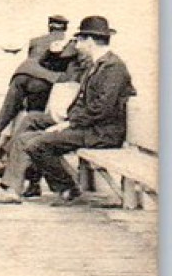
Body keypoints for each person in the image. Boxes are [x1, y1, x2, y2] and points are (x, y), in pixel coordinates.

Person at [9, 16, 135, 206]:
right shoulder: (97, 64)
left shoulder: (113, 67)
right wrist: (66, 122)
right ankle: (19, 188)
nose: (77, 44)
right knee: (26, 139)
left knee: (37, 144)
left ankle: (69, 190)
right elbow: (82, 103)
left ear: (90, 41)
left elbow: (101, 109)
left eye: (80, 39)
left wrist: (68, 125)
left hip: (103, 133)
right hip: (88, 128)